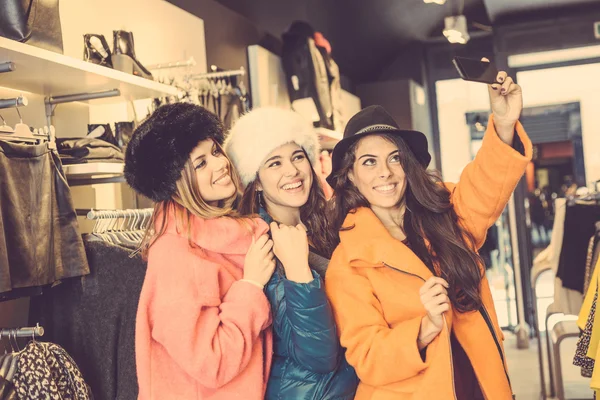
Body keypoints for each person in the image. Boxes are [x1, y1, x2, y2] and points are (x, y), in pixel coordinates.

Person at [324, 70, 532, 399]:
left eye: (395, 158)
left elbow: (487, 183)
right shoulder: (347, 262)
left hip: (479, 385)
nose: (385, 173)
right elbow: (367, 357)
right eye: (368, 162)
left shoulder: (445, 212)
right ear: (349, 176)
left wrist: (504, 124)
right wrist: (424, 329)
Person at [123, 103, 276, 400]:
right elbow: (211, 361)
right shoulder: (175, 253)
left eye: (215, 151)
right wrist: (251, 286)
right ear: (177, 185)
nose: (220, 164)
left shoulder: (224, 237)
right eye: (201, 163)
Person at [225, 107, 358, 400]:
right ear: (256, 181)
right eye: (274, 163)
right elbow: (317, 357)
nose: (292, 171)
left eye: (298, 157)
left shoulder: (324, 225)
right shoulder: (261, 246)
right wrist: (298, 270)